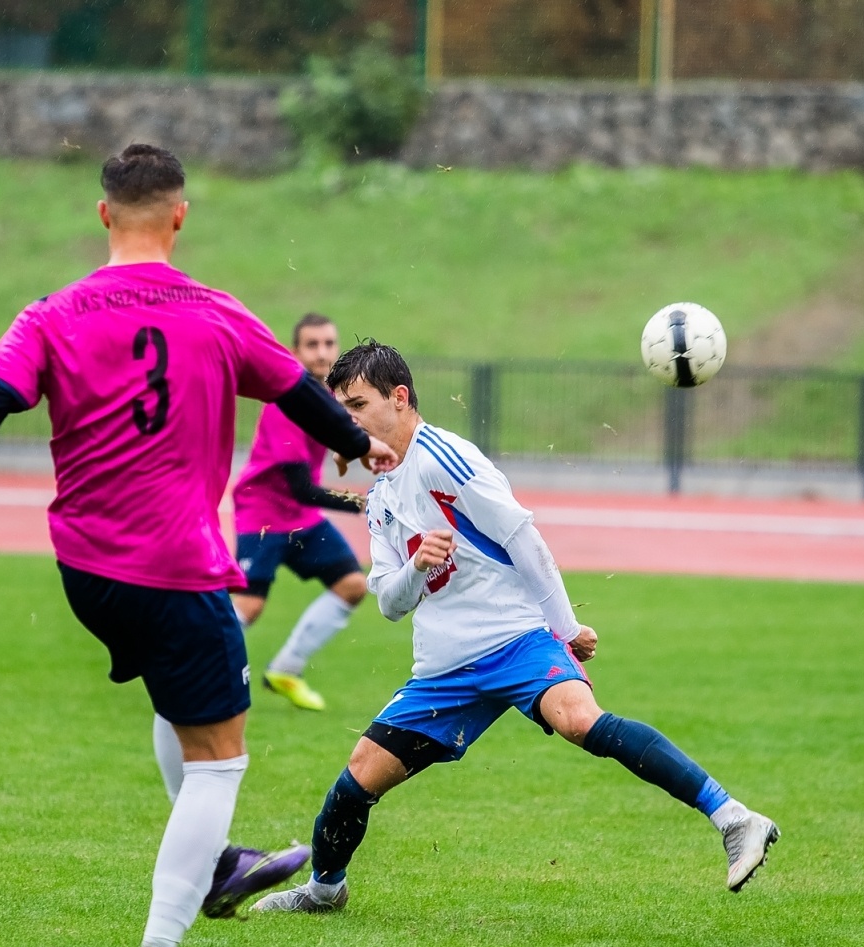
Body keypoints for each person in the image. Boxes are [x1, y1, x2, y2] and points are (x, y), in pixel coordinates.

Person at [0, 144, 396, 947]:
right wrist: (361, 443)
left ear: (103, 213)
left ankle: (219, 860)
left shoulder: (50, 315)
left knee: (179, 706)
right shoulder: (218, 313)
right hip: (176, 569)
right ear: (181, 216)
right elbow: (297, 390)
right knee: (220, 761)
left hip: (87, 571)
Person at [251, 341, 780, 914]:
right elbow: (390, 605)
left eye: (357, 406)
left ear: (399, 398)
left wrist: (564, 627)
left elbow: (523, 538)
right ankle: (324, 891)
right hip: (444, 668)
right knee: (359, 778)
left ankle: (735, 819)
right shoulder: (380, 497)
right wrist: (416, 566)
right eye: (341, 410)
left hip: (515, 639)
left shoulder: (444, 458)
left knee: (579, 721)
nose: (346, 421)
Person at [228, 312, 367, 712]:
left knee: (352, 585)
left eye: (329, 343)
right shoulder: (286, 405)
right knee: (249, 606)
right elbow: (301, 487)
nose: (322, 353)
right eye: (312, 345)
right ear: (295, 352)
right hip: (263, 516)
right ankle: (190, 667)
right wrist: (361, 503)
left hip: (300, 519)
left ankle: (286, 669)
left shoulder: (328, 399)